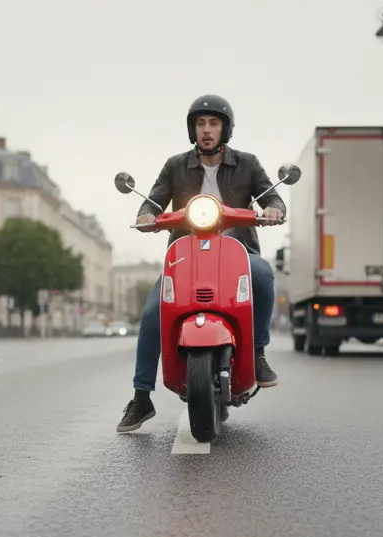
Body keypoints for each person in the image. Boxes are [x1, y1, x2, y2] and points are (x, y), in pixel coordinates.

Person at [117, 94, 284, 433]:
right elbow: (153, 201)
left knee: (264, 274)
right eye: (200, 124)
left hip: (237, 252)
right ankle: (141, 397)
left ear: (226, 129)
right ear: (192, 130)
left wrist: (274, 208)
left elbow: (271, 195)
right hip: (184, 255)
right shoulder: (175, 165)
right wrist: (146, 215)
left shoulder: (248, 164)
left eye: (214, 123)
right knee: (152, 314)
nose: (207, 130)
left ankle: (258, 352)